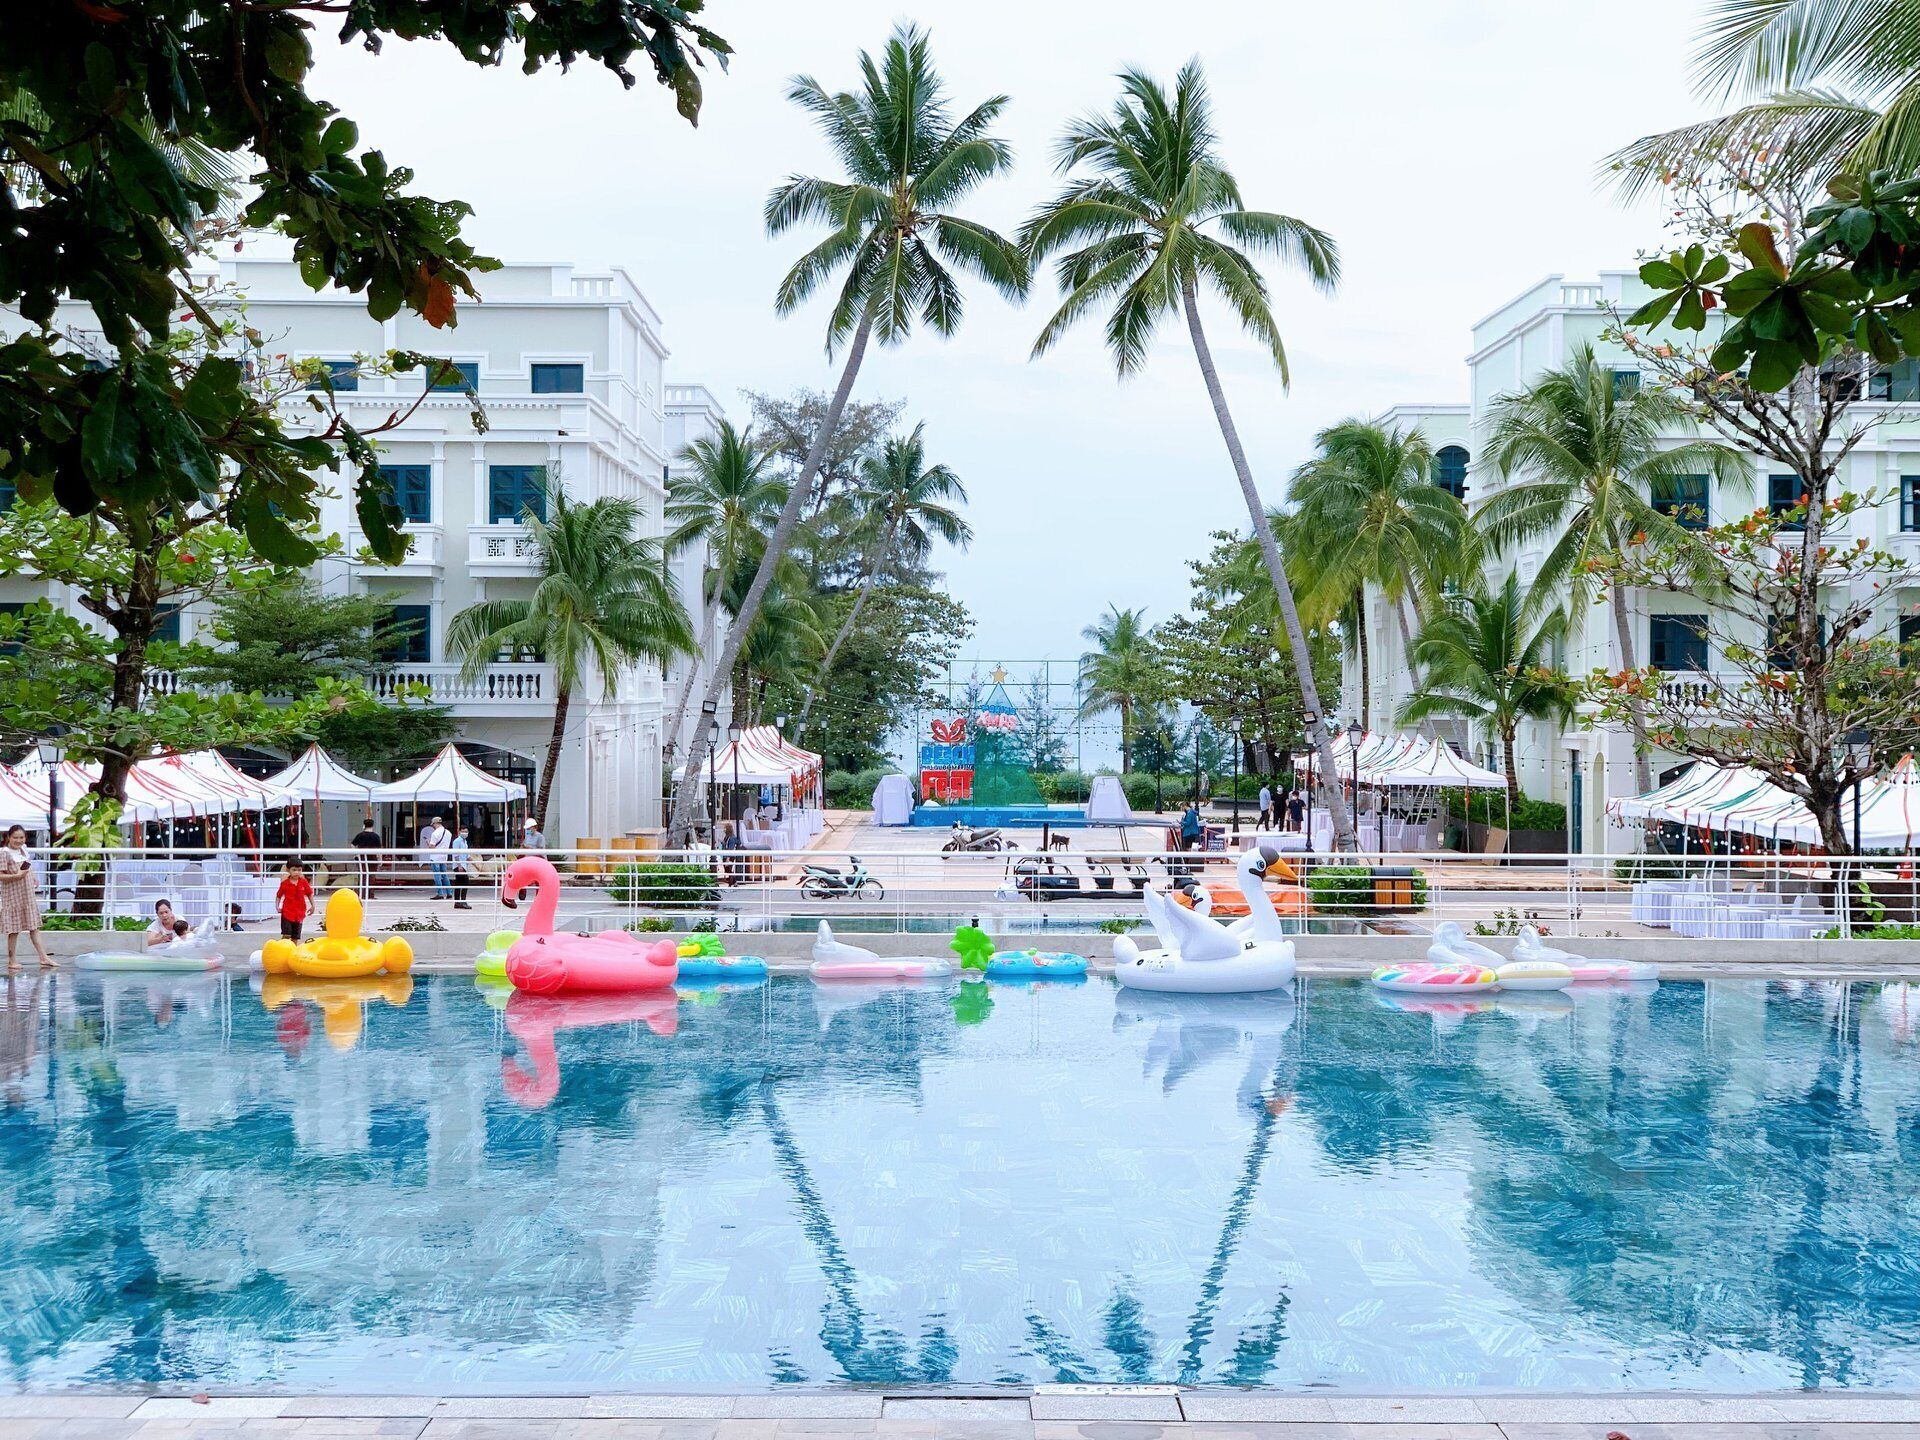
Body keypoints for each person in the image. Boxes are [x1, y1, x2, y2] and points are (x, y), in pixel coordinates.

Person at [0, 825, 53, 973]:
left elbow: (27, 866)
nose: (18, 840)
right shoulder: (4, 853)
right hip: (13, 895)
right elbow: (1, 875)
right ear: (8, 837)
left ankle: (43, 957)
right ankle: (12, 960)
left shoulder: (23, 849)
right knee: (14, 929)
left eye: (21, 837)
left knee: (33, 927)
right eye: (15, 837)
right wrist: (16, 876)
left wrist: (34, 877)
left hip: (27, 893)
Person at [275, 859, 314, 944]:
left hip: (299, 914)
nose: (297, 872)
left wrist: (313, 906)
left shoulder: (303, 882)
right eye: (294, 870)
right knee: (286, 935)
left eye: (299, 870)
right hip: (287, 913)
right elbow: (278, 895)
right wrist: (277, 906)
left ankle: (293, 951)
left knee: (295, 937)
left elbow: (309, 893)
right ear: (288, 870)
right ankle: (281, 949)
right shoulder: (284, 884)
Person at [418, 814, 452, 899]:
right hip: (444, 857)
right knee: (444, 875)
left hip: (435, 857)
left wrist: (427, 842)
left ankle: (440, 893)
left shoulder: (435, 833)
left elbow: (432, 846)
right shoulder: (448, 833)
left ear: (435, 823)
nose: (433, 826)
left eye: (433, 824)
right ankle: (449, 892)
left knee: (437, 875)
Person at [351, 815, 383, 893]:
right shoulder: (376, 836)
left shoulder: (360, 835)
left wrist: (356, 853)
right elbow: (379, 850)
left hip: (361, 858)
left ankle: (361, 893)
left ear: (364, 825)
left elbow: (352, 845)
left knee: (362, 876)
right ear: (372, 826)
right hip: (372, 858)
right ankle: (370, 894)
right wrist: (380, 860)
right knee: (371, 876)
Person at [450, 825, 472, 909]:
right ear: (459, 832)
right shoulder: (457, 841)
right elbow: (456, 854)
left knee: (459, 883)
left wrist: (474, 861)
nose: (465, 833)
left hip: (463, 865)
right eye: (463, 831)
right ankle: (462, 902)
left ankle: (458, 903)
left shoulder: (464, 842)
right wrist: (459, 865)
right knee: (465, 882)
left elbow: (466, 854)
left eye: (466, 831)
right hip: (459, 866)